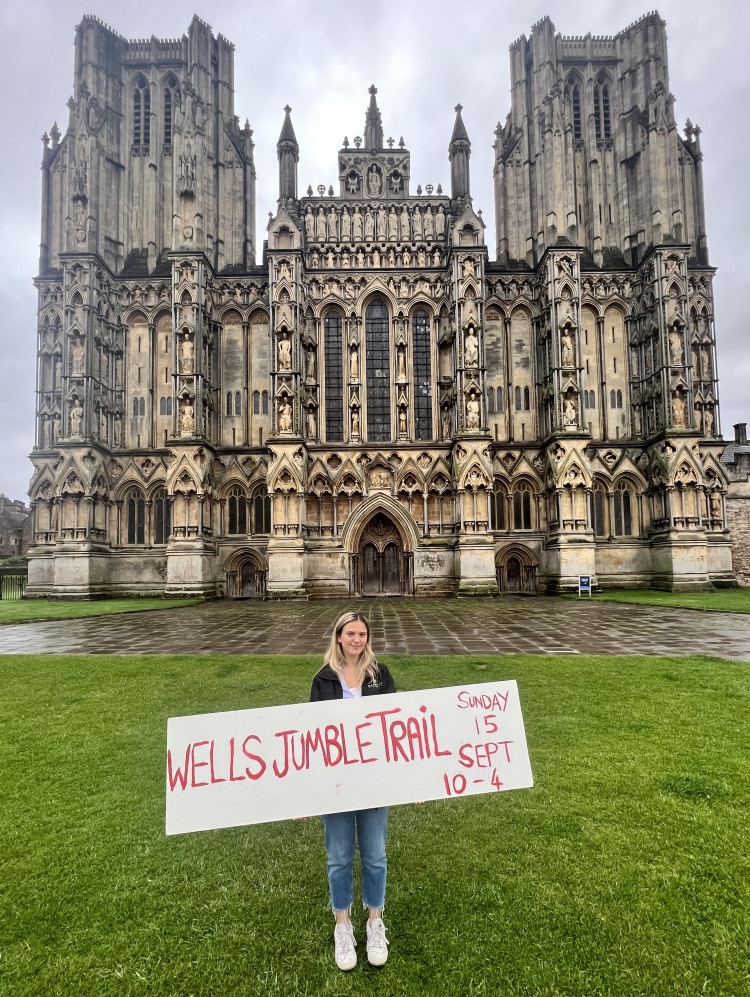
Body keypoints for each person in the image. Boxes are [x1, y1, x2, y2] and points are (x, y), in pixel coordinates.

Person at [309, 612, 396, 971]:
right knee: (339, 856)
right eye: (350, 634)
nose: (357, 639)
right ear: (339, 637)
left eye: (362, 634)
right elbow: (310, 736)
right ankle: (342, 925)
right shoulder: (323, 679)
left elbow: (397, 725)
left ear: (367, 638)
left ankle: (375, 920)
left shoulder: (381, 674)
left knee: (375, 855)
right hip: (336, 784)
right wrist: (301, 792)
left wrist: (419, 778)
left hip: (374, 779)